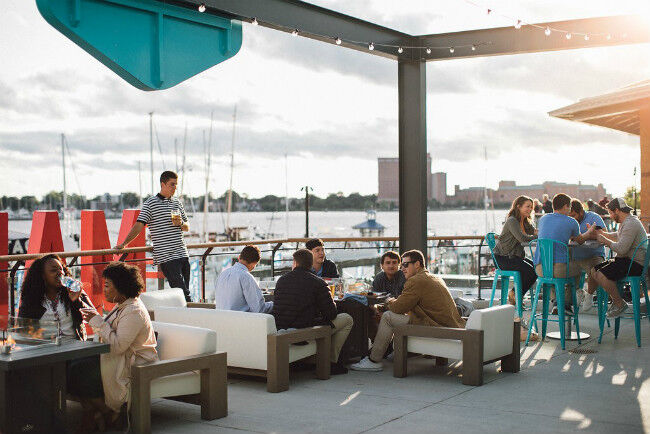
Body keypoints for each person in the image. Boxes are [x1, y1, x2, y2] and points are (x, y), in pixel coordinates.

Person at [351, 250, 465, 372]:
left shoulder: (415, 280)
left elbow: (397, 308)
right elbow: (406, 304)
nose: (402, 268)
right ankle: (384, 351)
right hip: (448, 324)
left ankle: (374, 360)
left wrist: (389, 300)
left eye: (405, 264)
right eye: (402, 265)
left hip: (436, 326)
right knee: (388, 315)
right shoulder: (433, 277)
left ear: (417, 264)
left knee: (388, 317)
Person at [81, 262, 158, 430]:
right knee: (74, 367)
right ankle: (101, 411)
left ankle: (105, 411)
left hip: (133, 362)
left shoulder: (133, 311)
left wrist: (97, 322)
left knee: (79, 371)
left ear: (121, 287)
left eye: (107, 285)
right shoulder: (123, 305)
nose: (104, 289)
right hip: (121, 357)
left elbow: (117, 347)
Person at [272, 249, 353, 374]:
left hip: (281, 327)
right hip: (304, 329)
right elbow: (331, 314)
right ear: (311, 264)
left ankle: (315, 358)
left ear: (295, 263)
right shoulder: (318, 283)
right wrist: (332, 302)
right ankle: (330, 362)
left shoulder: (281, 280)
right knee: (347, 319)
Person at [115, 171, 192, 301]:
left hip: (183, 254)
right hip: (167, 256)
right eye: (172, 184)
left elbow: (187, 226)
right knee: (183, 295)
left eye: (176, 185)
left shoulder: (177, 203)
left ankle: (187, 318)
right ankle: (191, 319)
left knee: (185, 292)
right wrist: (124, 243)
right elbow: (139, 225)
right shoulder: (151, 203)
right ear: (163, 184)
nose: (175, 188)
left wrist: (181, 223)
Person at [583, 198, 647, 318]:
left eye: (611, 213)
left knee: (601, 274)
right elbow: (617, 236)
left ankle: (619, 303)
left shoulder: (631, 224)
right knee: (593, 271)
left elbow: (622, 249)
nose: (610, 216)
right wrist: (600, 234)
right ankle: (589, 298)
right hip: (627, 260)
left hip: (635, 264)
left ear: (617, 210)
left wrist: (604, 240)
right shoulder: (627, 222)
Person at [534, 194, 597, 313]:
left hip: (539, 269)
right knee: (578, 267)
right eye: (569, 207)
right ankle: (566, 303)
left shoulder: (543, 219)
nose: (570, 210)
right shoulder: (572, 221)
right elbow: (580, 240)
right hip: (560, 270)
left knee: (551, 277)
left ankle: (556, 302)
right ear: (565, 206)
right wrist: (589, 232)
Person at [492, 196, 538, 341]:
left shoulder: (525, 221)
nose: (529, 209)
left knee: (536, 269)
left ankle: (515, 294)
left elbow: (533, 233)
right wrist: (537, 236)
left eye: (531, 207)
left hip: (515, 257)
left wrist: (538, 233)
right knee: (531, 271)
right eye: (527, 206)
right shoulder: (512, 220)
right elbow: (523, 238)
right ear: (518, 206)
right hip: (503, 258)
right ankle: (514, 294)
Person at [18, 254, 94, 340]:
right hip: (46, 349)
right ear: (42, 276)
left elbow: (93, 318)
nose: (60, 273)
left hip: (74, 346)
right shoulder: (32, 299)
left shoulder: (73, 291)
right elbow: (23, 330)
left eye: (61, 269)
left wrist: (76, 300)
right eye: (53, 270)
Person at [215, 245, 273, 313]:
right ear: (254, 264)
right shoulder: (246, 277)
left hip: (222, 319)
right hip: (240, 321)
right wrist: (274, 304)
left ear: (239, 257)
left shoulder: (222, 274)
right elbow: (259, 309)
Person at [568, 199, 607, 280]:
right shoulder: (569, 221)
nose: (572, 219)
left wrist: (585, 236)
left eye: (574, 216)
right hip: (575, 257)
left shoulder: (594, 217)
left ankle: (590, 293)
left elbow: (605, 234)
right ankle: (576, 291)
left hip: (594, 255)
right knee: (569, 281)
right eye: (570, 216)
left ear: (581, 212)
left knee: (597, 271)